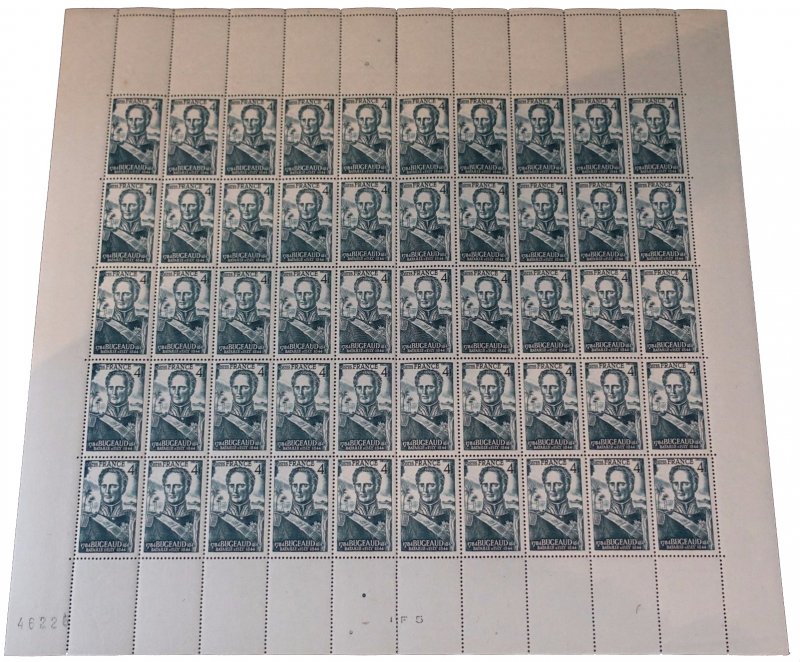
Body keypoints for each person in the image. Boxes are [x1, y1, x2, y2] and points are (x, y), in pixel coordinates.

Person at [79, 467, 135, 553]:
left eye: (113, 486)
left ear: (123, 489)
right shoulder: (86, 520)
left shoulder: (133, 519)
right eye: (104, 486)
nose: (107, 491)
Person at [208, 466, 264, 552]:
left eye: (241, 485)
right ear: (227, 488)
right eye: (231, 486)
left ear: (250, 488)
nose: (235, 490)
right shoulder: (214, 520)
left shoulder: (262, 518)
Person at [657, 464, 713, 548]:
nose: (679, 489)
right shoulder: (663, 518)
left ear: (695, 485)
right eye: (676, 484)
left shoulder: (708, 516)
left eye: (685, 483)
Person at [144, 467, 199, 552]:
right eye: (168, 486)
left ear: (187, 488)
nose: (171, 491)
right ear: (164, 488)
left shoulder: (197, 519)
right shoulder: (150, 521)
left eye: (177, 486)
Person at [273, 466, 327, 552]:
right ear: (291, 488)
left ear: (313, 487)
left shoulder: (325, 518)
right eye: (295, 485)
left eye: (304, 485)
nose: (298, 490)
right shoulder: (278, 520)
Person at [464, 465, 519, 551]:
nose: (489, 490)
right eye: (485, 485)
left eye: (494, 485)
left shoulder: (516, 517)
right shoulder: (470, 519)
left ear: (504, 487)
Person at [337, 466, 391, 551]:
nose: (362, 490)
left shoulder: (389, 518)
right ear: (355, 487)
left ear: (377, 487)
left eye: (368, 485)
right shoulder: (343, 520)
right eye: (358, 485)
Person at [593, 465, 648, 549]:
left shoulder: (644, 517)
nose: (616, 489)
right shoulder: (599, 519)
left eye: (621, 484)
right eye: (612, 484)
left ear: (631, 486)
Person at [401, 466, 455, 551]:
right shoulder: (406, 519)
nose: (425, 490)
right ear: (417, 487)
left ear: (440, 487)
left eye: (431, 485)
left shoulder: (453, 518)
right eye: (421, 485)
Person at [529, 465, 583, 549]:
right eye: (548, 484)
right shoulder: (534, 519)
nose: (552, 489)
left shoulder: (580, 516)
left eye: (558, 484)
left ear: (567, 486)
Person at [87, 369, 142, 451]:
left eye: (120, 388)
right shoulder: (93, 421)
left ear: (129, 390)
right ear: (107, 390)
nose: (114, 393)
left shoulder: (139, 419)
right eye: (111, 388)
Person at [150, 369, 204, 451]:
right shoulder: (156, 421)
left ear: (191, 390)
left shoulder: (201, 419)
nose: (176, 393)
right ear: (169, 390)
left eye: (182, 388)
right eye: (173, 388)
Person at [275, 369, 328, 451]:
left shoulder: (326, 419)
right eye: (297, 388)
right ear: (293, 390)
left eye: (306, 387)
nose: (300, 392)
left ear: (315, 389)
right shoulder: (281, 420)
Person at [401, 369, 453, 450]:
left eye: (430, 387)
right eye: (421, 387)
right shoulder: (405, 421)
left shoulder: (451, 418)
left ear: (439, 389)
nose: (424, 392)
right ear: (417, 390)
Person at [213, 369, 266, 450]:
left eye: (245, 387)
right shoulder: (219, 420)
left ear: (253, 390)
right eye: (235, 387)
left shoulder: (264, 419)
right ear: (231, 390)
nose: (239, 392)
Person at [339, 369, 391, 451]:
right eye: (359, 387)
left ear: (377, 389)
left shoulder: (389, 419)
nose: (363, 392)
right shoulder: (344, 420)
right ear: (355, 390)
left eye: (368, 387)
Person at [651, 368, 704, 447]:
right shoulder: (656, 420)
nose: (672, 391)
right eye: (669, 386)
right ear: (665, 389)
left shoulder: (700, 417)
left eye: (678, 386)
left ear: (687, 388)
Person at [588, 368, 641, 447]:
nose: (610, 391)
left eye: (615, 386)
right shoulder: (593, 420)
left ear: (625, 388)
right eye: (606, 387)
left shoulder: (638, 418)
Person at [525, 369, 577, 449]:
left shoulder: (575, 418)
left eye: (553, 387)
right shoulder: (530, 420)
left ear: (563, 389)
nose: (548, 392)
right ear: (541, 389)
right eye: (544, 387)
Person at [463, 369, 515, 450]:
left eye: (492, 387)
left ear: (501, 389)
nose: (486, 392)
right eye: (483, 387)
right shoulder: (468, 419)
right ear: (479, 389)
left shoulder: (513, 418)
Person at [94, 276, 147, 354]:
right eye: (117, 294)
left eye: (126, 294)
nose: (120, 298)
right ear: (113, 296)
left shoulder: (145, 324)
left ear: (135, 296)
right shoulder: (100, 325)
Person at [644, 274, 697, 352]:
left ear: (680, 294)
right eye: (662, 292)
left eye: (671, 292)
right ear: (658, 294)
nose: (666, 297)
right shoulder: (649, 322)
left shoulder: (692, 321)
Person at [278, 276, 330, 354]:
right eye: (299, 294)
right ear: (295, 296)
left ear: (317, 295)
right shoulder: (283, 325)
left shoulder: (328, 323)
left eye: (308, 293)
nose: (302, 298)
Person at [583, 275, 635, 353]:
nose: (605, 297)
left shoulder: (631, 321)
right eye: (601, 292)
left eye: (610, 292)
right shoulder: (588, 323)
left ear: (619, 294)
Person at [217, 277, 269, 354]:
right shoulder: (223, 325)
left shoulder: (267, 325)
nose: (242, 298)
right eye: (239, 294)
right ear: (235, 296)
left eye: (248, 294)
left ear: (257, 296)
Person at [522, 274, 573, 353]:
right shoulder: (528, 323)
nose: (544, 297)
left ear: (558, 294)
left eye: (549, 292)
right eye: (540, 293)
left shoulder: (570, 322)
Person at [156, 276, 208, 354]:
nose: (181, 298)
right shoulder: (161, 325)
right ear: (174, 296)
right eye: (178, 293)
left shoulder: (206, 324)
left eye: (187, 293)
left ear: (196, 296)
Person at [461, 275, 513, 353]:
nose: (484, 298)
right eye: (480, 293)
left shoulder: (510, 323)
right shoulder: (467, 324)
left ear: (498, 295)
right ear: (477, 295)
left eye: (489, 293)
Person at [339, 275, 390, 354]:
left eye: (368, 293)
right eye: (360, 293)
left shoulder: (388, 323)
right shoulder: (344, 325)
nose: (363, 297)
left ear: (377, 295)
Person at [400, 275, 452, 353]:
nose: (423, 297)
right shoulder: (405, 325)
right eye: (420, 293)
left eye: (428, 293)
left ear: (437, 295)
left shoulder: (449, 322)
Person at [101, 187, 153, 262]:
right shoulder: (108, 234)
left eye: (132, 205)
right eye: (124, 205)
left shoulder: (150, 233)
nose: (127, 209)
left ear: (141, 207)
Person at [221, 188, 272, 262]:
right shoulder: (228, 235)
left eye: (251, 205)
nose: (246, 210)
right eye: (242, 205)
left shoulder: (270, 234)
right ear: (239, 208)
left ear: (260, 207)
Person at [280, 187, 331, 262]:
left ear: (318, 206)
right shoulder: (286, 235)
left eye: (310, 204)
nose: (304, 209)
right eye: (301, 204)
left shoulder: (329, 234)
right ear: (297, 207)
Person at [518, 187, 569, 262]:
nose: (540, 209)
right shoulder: (524, 234)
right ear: (533, 206)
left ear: (554, 206)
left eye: (545, 204)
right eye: (537, 205)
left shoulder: (566, 233)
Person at [578, 187, 629, 261]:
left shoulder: (625, 233)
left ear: (613, 205)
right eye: (596, 204)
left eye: (605, 204)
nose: (600, 208)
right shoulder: (584, 234)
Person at [460, 187, 510, 262]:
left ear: (495, 206)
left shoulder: (507, 233)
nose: (482, 209)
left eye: (487, 204)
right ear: (475, 206)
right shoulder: (464, 234)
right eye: (478, 204)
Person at [400, 186, 450, 261]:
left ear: (436, 205)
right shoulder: (406, 234)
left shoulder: (447, 232)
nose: (422, 208)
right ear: (415, 206)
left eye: (427, 204)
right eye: (419, 204)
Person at [161, 188, 212, 263]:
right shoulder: (168, 236)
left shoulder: (210, 234)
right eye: (183, 205)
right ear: (180, 207)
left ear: (200, 207)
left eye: (192, 205)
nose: (186, 210)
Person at [341, 186, 390, 261]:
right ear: (357, 206)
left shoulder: (388, 232)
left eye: (369, 204)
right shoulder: (346, 234)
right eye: (360, 204)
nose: (363, 208)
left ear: (378, 205)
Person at [638, 186, 688, 261]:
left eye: (664, 203)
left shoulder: (685, 232)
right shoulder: (644, 234)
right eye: (655, 204)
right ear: (652, 206)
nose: (659, 208)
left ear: (673, 205)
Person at [108, 102, 159, 174]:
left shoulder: (156, 147)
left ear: (147, 121)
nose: (133, 124)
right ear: (127, 121)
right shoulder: (115, 148)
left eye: (138, 119)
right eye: (130, 119)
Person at [573, 102, 624, 173]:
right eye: (591, 119)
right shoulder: (579, 147)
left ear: (608, 120)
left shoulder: (620, 146)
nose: (595, 124)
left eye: (600, 119)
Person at [632, 102, 682, 173]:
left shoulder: (678, 146)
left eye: (657, 119)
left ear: (666, 120)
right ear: (646, 121)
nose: (653, 123)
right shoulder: (638, 148)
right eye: (649, 119)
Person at [284, 103, 333, 175]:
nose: (306, 124)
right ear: (300, 122)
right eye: (303, 120)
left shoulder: (330, 148)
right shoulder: (290, 149)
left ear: (320, 121)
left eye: (311, 120)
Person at [400, 102, 448, 174]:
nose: (422, 123)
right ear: (415, 121)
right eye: (418, 119)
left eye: (427, 119)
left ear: (435, 120)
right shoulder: (406, 149)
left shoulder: (446, 147)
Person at [226, 103, 274, 175]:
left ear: (263, 122)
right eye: (246, 120)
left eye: (254, 120)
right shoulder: (232, 148)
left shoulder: (272, 147)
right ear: (243, 122)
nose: (249, 124)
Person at [168, 103, 217, 174]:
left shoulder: (214, 147)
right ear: (185, 122)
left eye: (197, 120)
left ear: (205, 122)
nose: (191, 124)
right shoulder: (173, 149)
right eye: (188, 120)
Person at [342, 102, 391, 173]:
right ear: (358, 121)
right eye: (361, 119)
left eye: (369, 119)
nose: (364, 123)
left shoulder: (388, 147)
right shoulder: (347, 148)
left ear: (378, 120)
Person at [458, 103, 507, 173]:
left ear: (493, 120)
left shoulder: (504, 147)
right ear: (473, 121)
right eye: (476, 119)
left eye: (485, 119)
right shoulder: (463, 148)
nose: (480, 124)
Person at [516, 103, 564, 174]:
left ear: (550, 120)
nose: (537, 124)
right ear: (530, 121)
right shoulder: (521, 149)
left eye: (542, 119)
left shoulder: (562, 147)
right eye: (534, 119)